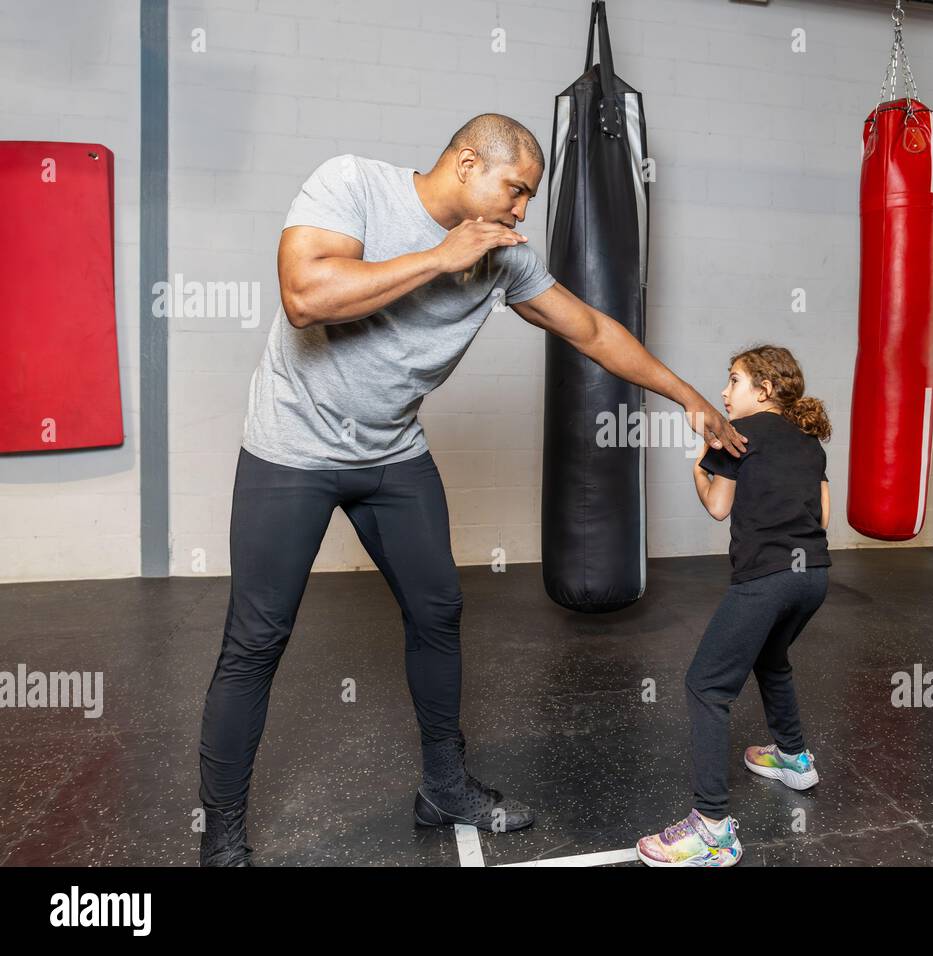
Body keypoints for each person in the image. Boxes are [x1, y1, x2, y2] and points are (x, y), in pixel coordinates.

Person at [197, 113, 746, 866]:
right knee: (255, 642)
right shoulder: (352, 184)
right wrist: (438, 256)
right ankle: (222, 832)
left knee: (439, 609)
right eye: (516, 190)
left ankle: (444, 786)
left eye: (529, 197)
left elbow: (588, 328)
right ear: (464, 165)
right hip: (291, 449)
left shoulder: (501, 259)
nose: (523, 210)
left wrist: (687, 396)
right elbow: (305, 296)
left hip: (391, 453)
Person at [636, 345, 832, 867]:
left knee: (706, 685)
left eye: (734, 381)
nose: (723, 393)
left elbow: (719, 508)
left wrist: (699, 466)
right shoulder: (810, 441)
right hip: (813, 577)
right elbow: (825, 516)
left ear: (764, 390)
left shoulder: (734, 437)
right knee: (772, 660)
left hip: (765, 580)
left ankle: (713, 830)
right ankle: (793, 759)